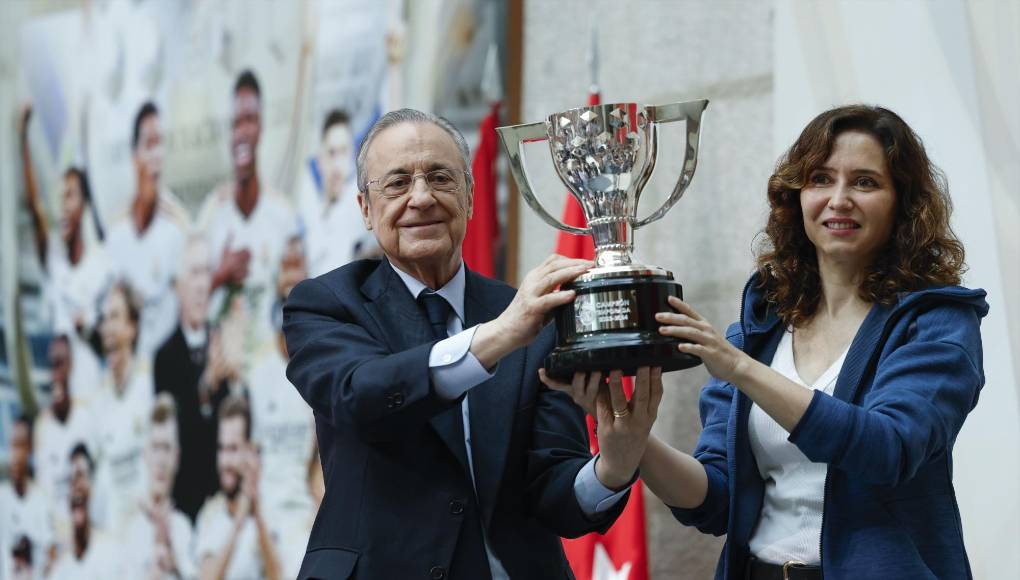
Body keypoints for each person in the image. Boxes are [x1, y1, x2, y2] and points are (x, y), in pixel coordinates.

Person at [548, 105, 987, 580]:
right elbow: (716, 500)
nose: (839, 199)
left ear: (903, 202)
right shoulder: (762, 328)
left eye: (865, 182)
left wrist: (740, 370)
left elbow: (887, 449)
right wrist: (637, 443)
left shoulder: (936, 320)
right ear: (797, 195)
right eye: (821, 179)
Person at [282, 108, 660, 580]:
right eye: (397, 183)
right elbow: (362, 395)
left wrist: (614, 467)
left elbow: (552, 492)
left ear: (470, 197)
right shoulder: (326, 303)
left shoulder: (529, 313)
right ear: (364, 208)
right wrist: (500, 335)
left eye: (440, 178)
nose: (422, 198)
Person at [197, 69, 300, 367]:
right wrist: (221, 275)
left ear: (261, 127)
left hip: (273, 368)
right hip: (225, 369)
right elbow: (191, 310)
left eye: (249, 120)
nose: (242, 132)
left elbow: (298, 300)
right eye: (235, 124)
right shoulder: (211, 216)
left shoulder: (283, 215)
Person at [19, 103, 106, 406]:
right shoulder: (55, 266)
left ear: (84, 203)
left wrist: (89, 332)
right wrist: (23, 140)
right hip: (63, 407)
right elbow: (34, 208)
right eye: (60, 196)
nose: (64, 205)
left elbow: (114, 344)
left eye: (70, 194)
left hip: (94, 398)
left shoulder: (101, 266)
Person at [247, 236, 317, 578]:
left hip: (300, 519)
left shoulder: (321, 368)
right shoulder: (258, 371)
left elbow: (319, 465)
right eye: (283, 270)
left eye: (296, 270)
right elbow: (248, 455)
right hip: (256, 514)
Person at [155, 234, 232, 522]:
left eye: (206, 273)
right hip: (184, 509)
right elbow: (172, 438)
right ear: (178, 286)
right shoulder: (164, 358)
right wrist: (204, 390)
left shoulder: (221, 341)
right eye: (194, 273)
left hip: (224, 509)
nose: (202, 285)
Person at [105, 101, 186, 359]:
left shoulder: (176, 228)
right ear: (134, 155)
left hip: (166, 368)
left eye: (160, 144)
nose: (156, 155)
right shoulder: (116, 233)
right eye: (149, 145)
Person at [195, 396, 283, 580]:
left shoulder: (269, 510)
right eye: (221, 448)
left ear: (250, 450)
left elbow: (278, 575)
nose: (225, 461)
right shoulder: (210, 514)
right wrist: (237, 524)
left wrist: (257, 514)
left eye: (233, 449)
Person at [94, 280, 155, 538]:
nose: (107, 327)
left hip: (148, 531)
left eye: (115, 317)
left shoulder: (151, 385)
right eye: (104, 319)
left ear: (132, 327)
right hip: (114, 537)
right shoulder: (98, 399)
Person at [122, 393, 197, 579]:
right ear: (145, 454)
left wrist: (174, 561)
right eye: (156, 447)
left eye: (167, 448)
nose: (161, 461)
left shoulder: (184, 529)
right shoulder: (129, 528)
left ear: (177, 457)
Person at [32, 335, 97, 548]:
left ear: (72, 365)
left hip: (92, 529)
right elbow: (45, 493)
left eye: (61, 363)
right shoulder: (42, 426)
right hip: (59, 539)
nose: (56, 372)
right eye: (52, 364)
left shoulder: (88, 413)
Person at [298, 109, 374, 277]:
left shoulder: (362, 204)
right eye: (332, 153)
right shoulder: (310, 213)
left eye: (344, 152)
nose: (338, 164)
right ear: (319, 161)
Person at [48, 443, 116, 579]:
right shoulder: (60, 565)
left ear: (92, 484)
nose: (75, 485)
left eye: (80, 475)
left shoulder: (109, 550)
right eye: (70, 479)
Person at [0, 415, 56, 579]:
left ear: (29, 450)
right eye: (12, 446)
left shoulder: (42, 499)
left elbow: (51, 552)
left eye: (20, 446)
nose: (15, 455)